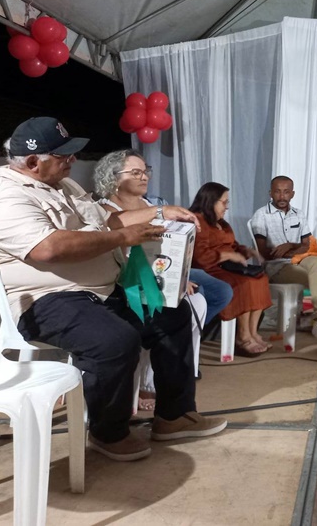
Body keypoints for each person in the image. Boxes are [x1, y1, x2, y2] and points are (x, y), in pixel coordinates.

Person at [0, 117, 227, 463]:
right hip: (47, 301)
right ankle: (108, 432)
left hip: (102, 292)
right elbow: (49, 248)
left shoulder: (64, 185)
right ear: (33, 162)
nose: (73, 160)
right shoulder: (4, 199)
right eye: (63, 155)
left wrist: (160, 211)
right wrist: (123, 237)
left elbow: (107, 220)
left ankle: (174, 416)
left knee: (172, 311)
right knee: (114, 340)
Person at [93, 149, 235, 408]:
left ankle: (174, 377)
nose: (144, 176)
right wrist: (160, 211)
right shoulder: (104, 208)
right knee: (168, 310)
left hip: (159, 275)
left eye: (145, 171)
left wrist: (179, 278)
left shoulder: (150, 204)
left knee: (199, 301)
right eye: (135, 172)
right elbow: (115, 223)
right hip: (125, 285)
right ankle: (147, 386)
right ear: (113, 179)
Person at [251, 176, 317, 356]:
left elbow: (307, 245)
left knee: (316, 261)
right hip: (276, 267)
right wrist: (291, 251)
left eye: (286, 192)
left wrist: (290, 246)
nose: (282, 196)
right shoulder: (261, 215)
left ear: (293, 194)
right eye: (277, 191)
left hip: (297, 259)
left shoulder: (298, 214)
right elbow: (264, 252)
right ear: (270, 193)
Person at [189, 182, 273, 357]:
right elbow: (200, 258)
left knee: (260, 278)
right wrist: (227, 255)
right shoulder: (198, 221)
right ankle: (242, 337)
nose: (227, 207)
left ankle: (252, 333)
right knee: (243, 283)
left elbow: (233, 246)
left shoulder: (222, 223)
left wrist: (246, 251)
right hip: (210, 269)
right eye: (224, 202)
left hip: (226, 267)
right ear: (210, 201)